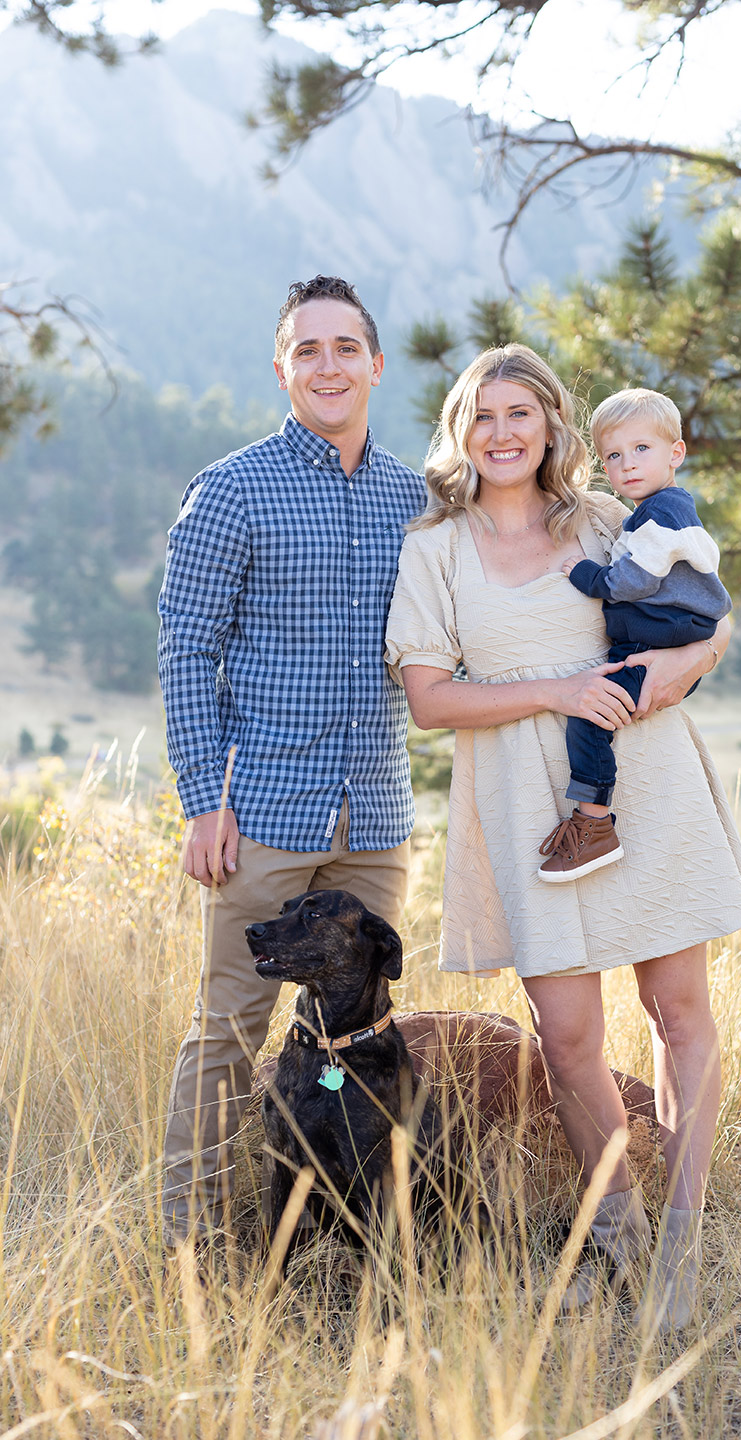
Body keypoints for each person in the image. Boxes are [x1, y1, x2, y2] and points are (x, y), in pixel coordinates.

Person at [384, 344, 741, 1331]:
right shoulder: (436, 548)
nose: (502, 431)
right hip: (520, 804)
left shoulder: (602, 518)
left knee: (679, 1013)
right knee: (567, 1035)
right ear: (462, 430)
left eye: (522, 412)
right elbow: (429, 700)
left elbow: (707, 616)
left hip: (645, 778)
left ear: (552, 425)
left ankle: (680, 1240)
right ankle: (616, 1236)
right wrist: (557, 689)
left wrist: (664, 679)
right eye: (483, 414)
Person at [157, 275, 425, 1248]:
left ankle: (345, 1246)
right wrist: (201, 800)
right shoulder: (230, 490)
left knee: (359, 1047)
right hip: (263, 815)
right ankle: (193, 1253)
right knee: (230, 1036)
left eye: (344, 347)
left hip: (377, 830)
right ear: (281, 369)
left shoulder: (412, 497)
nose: (326, 365)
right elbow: (187, 646)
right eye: (306, 350)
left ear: (376, 365)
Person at [537, 386, 731, 882]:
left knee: (591, 716)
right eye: (613, 456)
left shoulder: (662, 515)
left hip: (658, 644)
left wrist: (584, 574)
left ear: (676, 453)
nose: (627, 465)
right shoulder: (658, 509)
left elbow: (631, 582)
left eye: (641, 449)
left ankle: (594, 822)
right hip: (660, 639)